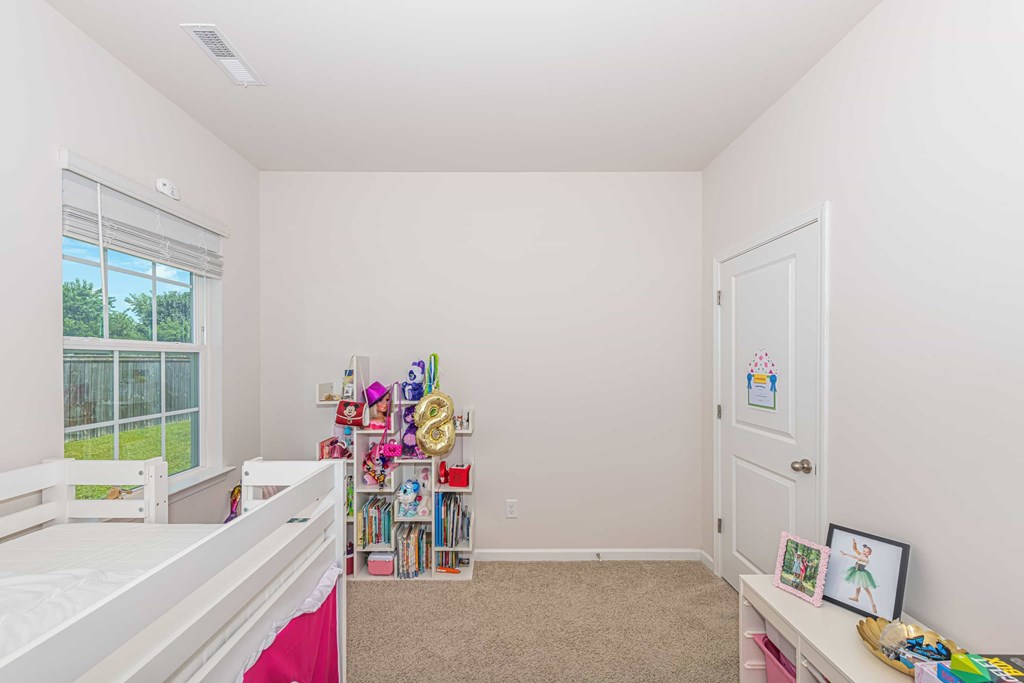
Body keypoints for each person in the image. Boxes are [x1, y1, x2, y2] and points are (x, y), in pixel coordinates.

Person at [840, 538, 878, 613]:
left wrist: (846, 554)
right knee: (858, 585)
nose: (864, 553)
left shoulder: (866, 559)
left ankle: (873, 604)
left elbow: (856, 557)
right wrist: (854, 543)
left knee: (866, 589)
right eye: (864, 551)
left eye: (867, 552)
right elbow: (855, 549)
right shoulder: (861, 554)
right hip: (856, 571)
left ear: (869, 554)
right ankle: (856, 597)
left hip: (862, 573)